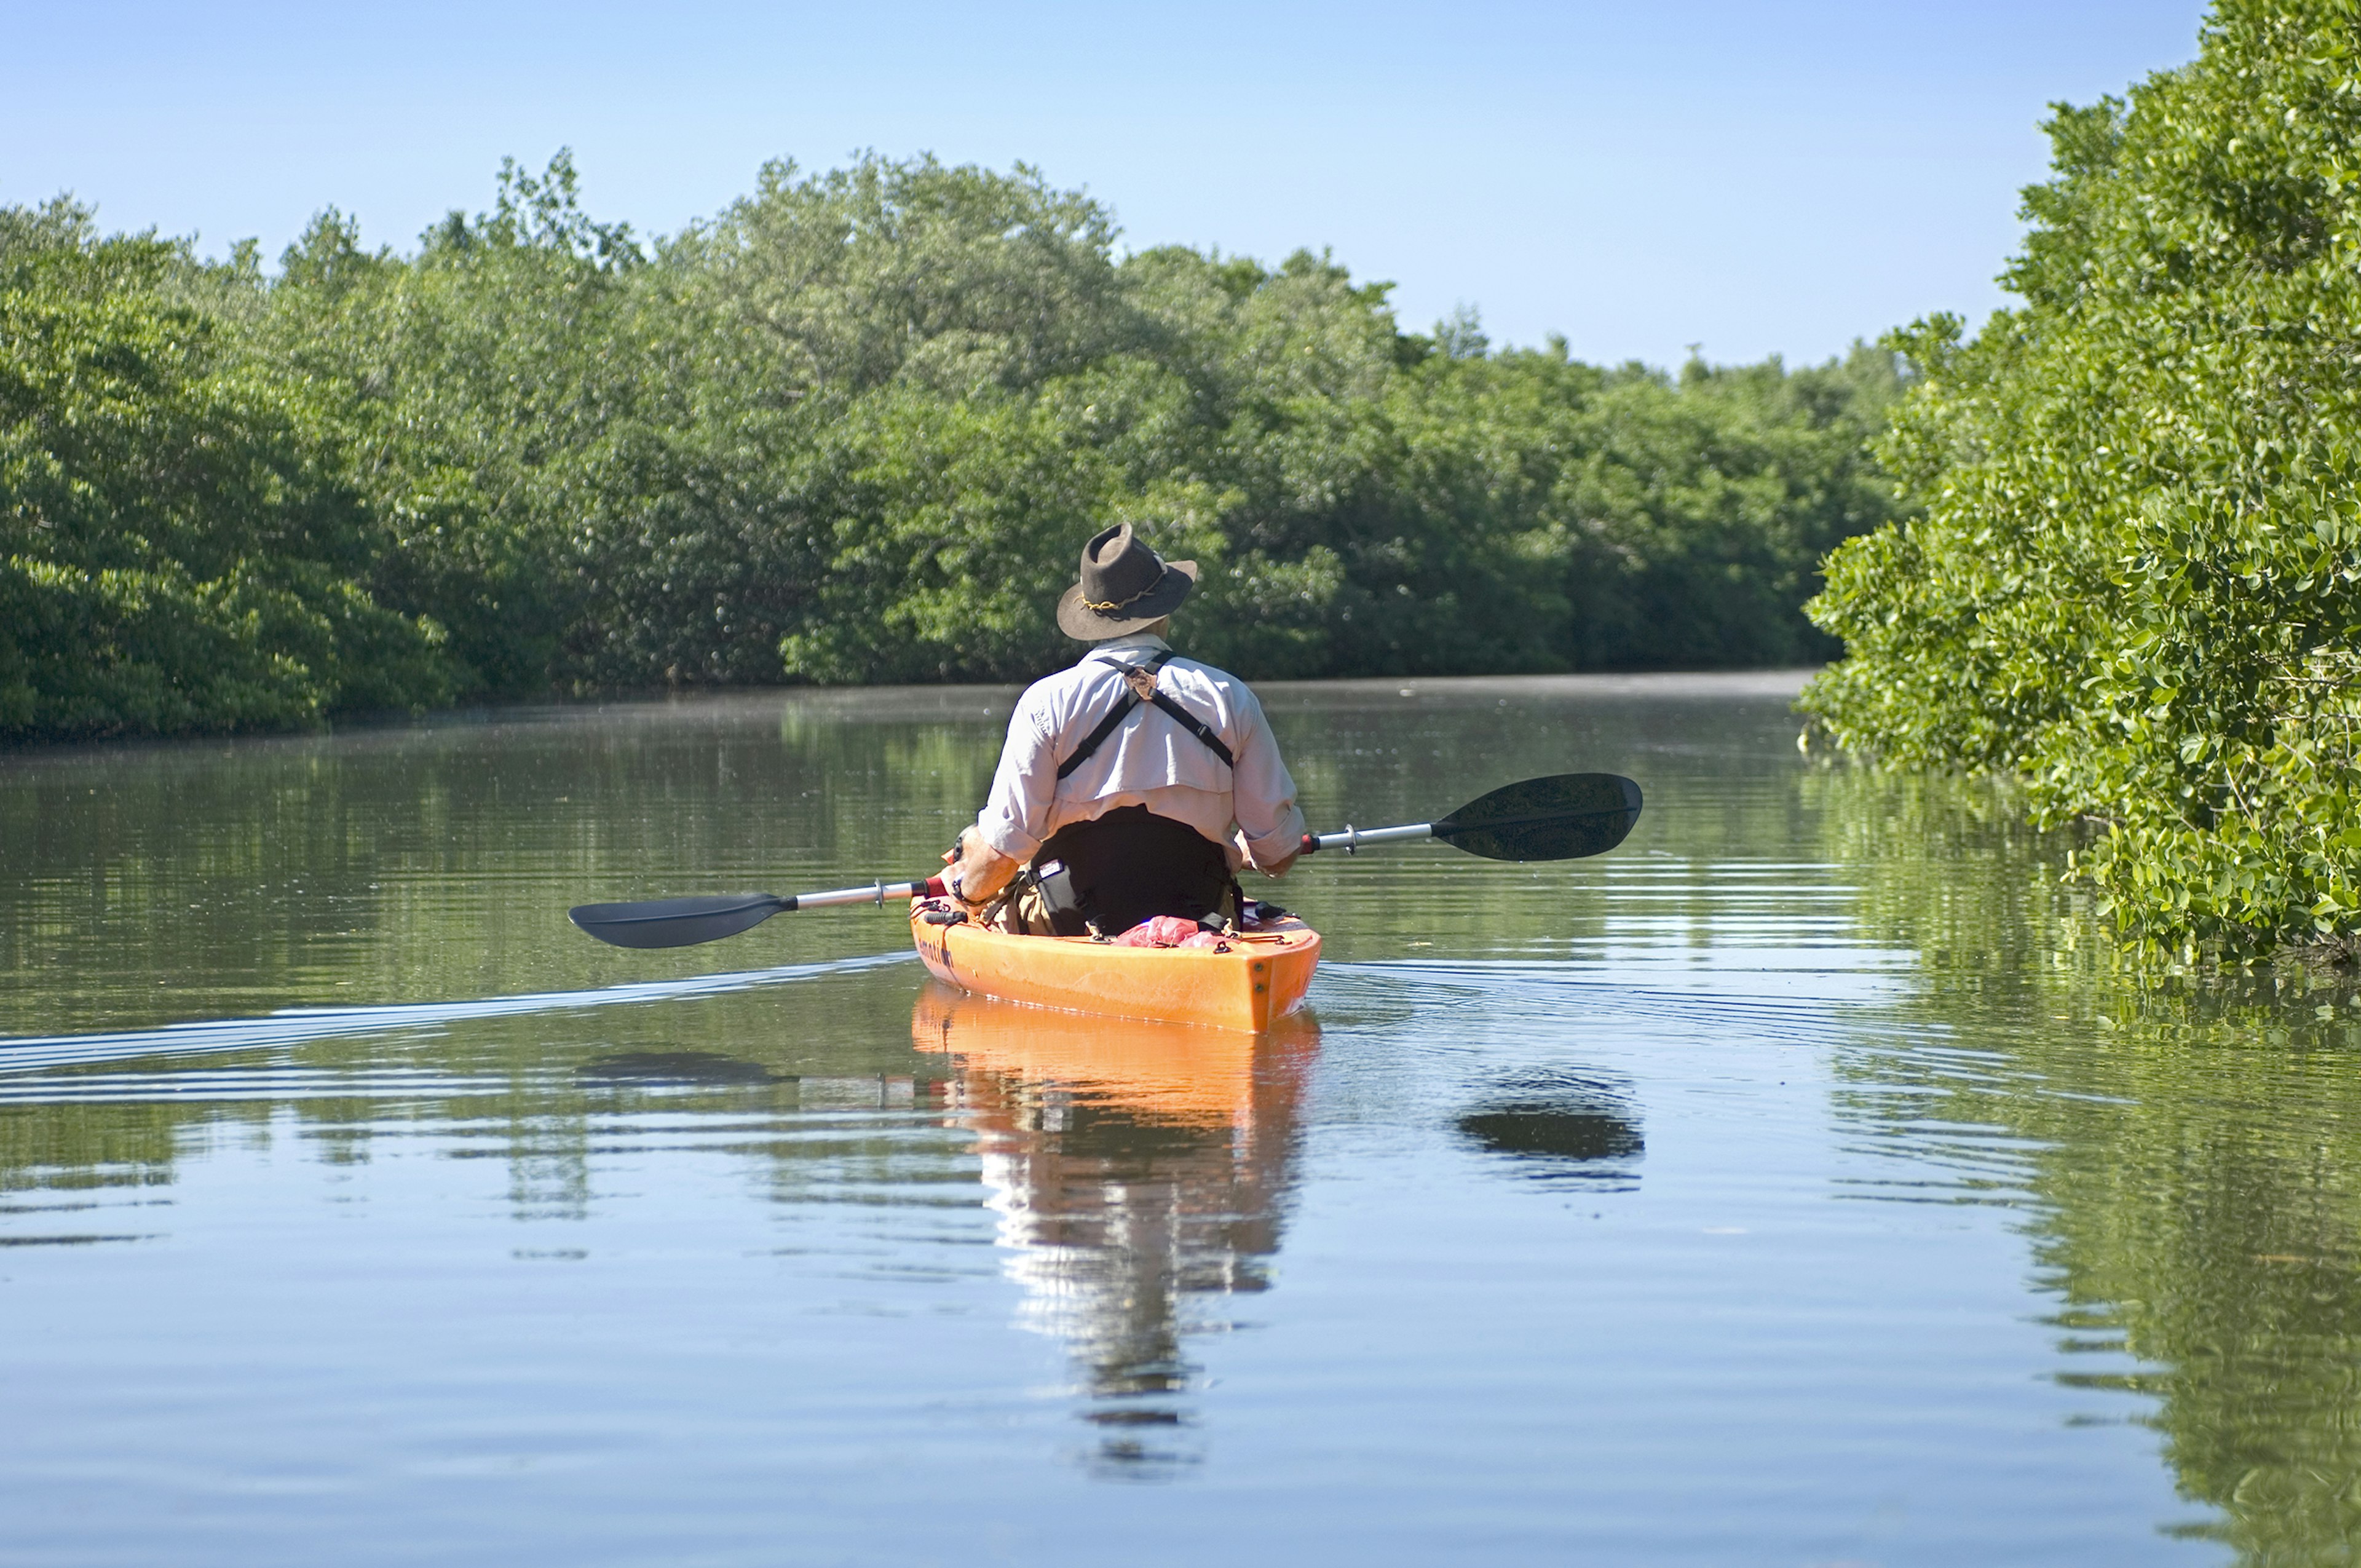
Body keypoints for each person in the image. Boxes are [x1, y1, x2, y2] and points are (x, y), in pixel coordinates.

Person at [944, 523, 1305, 936]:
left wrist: (965, 894)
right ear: (1165, 608)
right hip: (1201, 920)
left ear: (1091, 616)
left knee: (977, 840)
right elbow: (1277, 856)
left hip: (1069, 925)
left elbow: (1001, 856)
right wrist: (1241, 852)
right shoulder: (1230, 696)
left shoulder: (1046, 702)